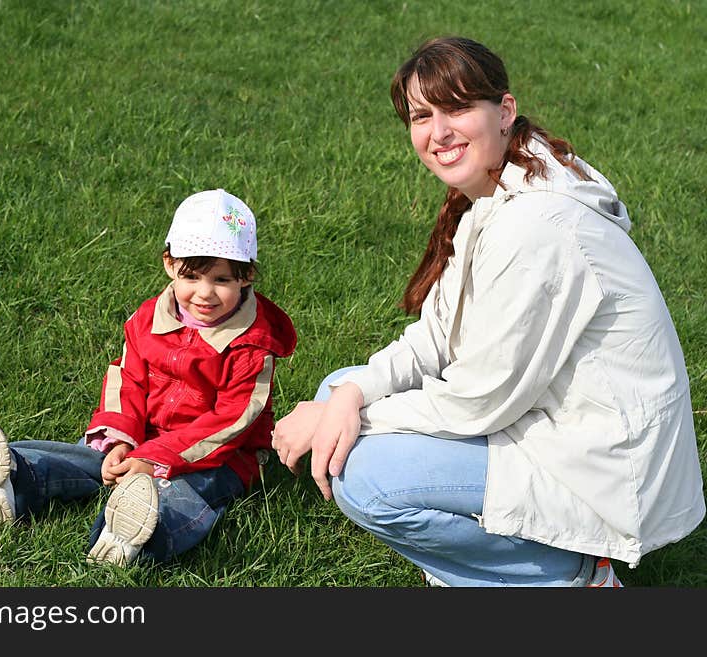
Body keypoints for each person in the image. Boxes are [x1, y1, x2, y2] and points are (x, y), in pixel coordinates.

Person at [272, 36, 705, 587]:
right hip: (547, 423)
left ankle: (571, 576)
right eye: (421, 116)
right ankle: (491, 556)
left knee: (367, 478)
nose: (438, 132)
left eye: (456, 108)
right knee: (340, 387)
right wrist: (351, 398)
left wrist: (352, 419)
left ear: (504, 112)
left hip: (599, 469)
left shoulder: (538, 226)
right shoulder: (496, 194)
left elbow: (480, 398)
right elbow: (433, 337)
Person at [0, 188, 297, 566]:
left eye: (221, 280)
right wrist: (120, 438)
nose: (205, 293)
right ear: (170, 264)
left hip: (219, 456)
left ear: (246, 276)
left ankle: (136, 538)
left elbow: (231, 421)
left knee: (184, 494)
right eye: (192, 276)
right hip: (144, 437)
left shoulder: (251, 343)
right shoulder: (149, 318)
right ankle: (17, 478)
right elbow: (128, 380)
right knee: (91, 457)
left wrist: (154, 461)